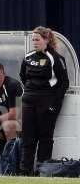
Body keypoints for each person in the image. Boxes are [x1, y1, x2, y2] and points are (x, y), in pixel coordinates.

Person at [19, 26, 69, 176]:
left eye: (38, 39)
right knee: (28, 137)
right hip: (28, 101)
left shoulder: (56, 58)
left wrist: (54, 104)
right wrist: (30, 91)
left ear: (46, 40)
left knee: (45, 137)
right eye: (33, 39)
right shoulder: (28, 57)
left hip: (46, 102)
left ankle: (42, 170)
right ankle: (25, 170)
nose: (35, 42)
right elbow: (23, 76)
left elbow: (63, 83)